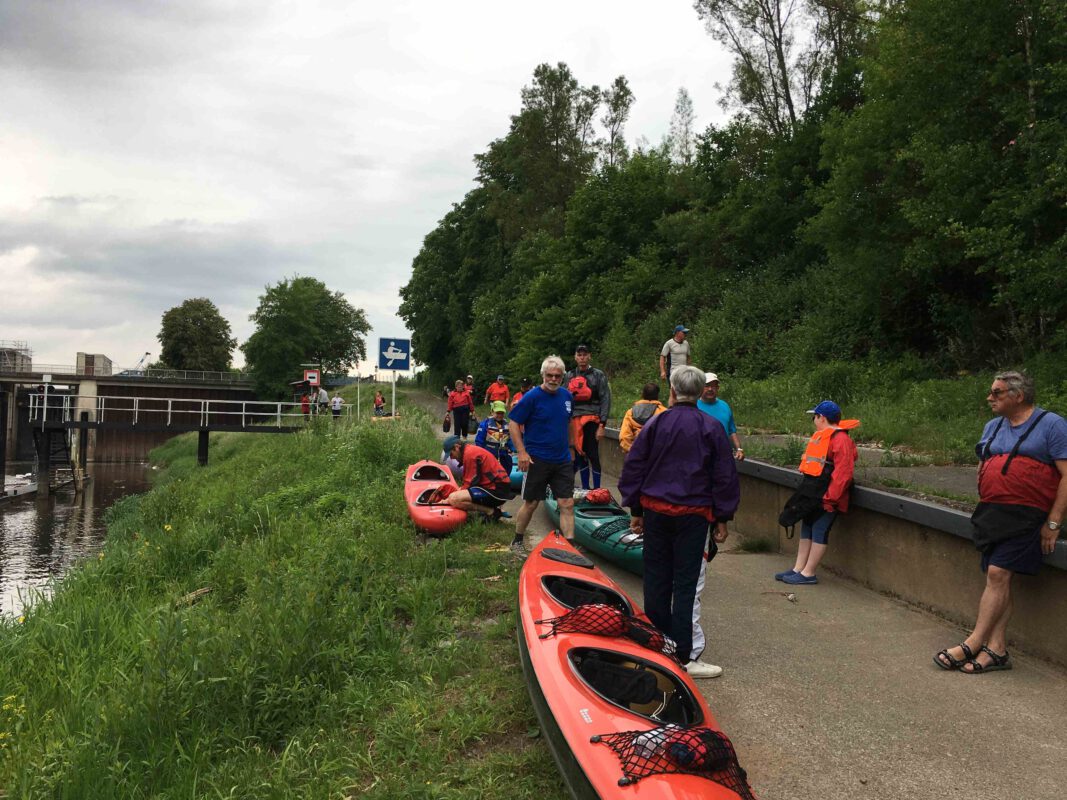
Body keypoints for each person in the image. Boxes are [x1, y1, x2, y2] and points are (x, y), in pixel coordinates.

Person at [934, 371, 1067, 674]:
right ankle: (996, 649)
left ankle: (973, 641)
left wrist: (1054, 522)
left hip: (1028, 515)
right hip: (992, 513)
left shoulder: (1052, 425)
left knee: (998, 573)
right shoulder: (993, 426)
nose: (989, 398)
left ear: (1018, 396)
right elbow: (984, 463)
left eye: (997, 392)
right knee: (997, 579)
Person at [619, 365, 740, 679]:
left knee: (656, 580)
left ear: (672, 391)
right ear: (699, 393)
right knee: (686, 585)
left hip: (656, 513)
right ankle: (683, 656)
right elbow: (724, 476)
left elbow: (634, 467)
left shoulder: (655, 424)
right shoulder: (712, 427)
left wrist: (636, 510)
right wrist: (723, 518)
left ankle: (657, 647)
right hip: (694, 517)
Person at [777, 400, 859, 586]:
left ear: (822, 418)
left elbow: (843, 473)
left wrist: (830, 498)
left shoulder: (841, 440)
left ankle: (809, 573)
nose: (813, 420)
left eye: (814, 417)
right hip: (813, 493)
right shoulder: (824, 437)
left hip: (828, 497)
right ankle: (799, 568)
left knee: (819, 529)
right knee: (807, 526)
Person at [508, 355, 577, 557]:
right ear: (543, 375)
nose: (553, 379)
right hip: (536, 459)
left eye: (557, 376)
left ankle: (569, 548)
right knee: (531, 503)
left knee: (567, 503)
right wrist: (521, 451)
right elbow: (513, 423)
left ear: (563, 377)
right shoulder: (532, 397)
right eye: (550, 375)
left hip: (562, 459)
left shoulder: (567, 396)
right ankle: (517, 541)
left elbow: (570, 422)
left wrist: (572, 447)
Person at [564, 344, 612, 490]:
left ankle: (597, 490)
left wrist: (602, 424)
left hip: (592, 419)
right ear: (575, 357)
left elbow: (605, 399)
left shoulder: (598, 375)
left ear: (589, 356)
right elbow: (564, 399)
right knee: (580, 454)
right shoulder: (569, 375)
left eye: (585, 355)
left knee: (592, 454)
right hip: (574, 420)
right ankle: (585, 489)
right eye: (579, 355)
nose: (582, 358)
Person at [441, 435, 515, 521]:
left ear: (457, 447)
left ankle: (492, 512)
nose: (451, 458)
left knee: (454, 499)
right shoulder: (468, 451)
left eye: (451, 454)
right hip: (496, 487)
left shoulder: (469, 454)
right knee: (455, 496)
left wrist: (446, 500)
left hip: (498, 490)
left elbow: (469, 484)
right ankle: (489, 510)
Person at [697, 373, 745, 460]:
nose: (710, 389)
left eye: (713, 386)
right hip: (701, 455)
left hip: (723, 454)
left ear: (718, 388)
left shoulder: (724, 406)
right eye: (707, 386)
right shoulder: (694, 406)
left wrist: (739, 449)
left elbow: (732, 431)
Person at [619, 382, 667, 453]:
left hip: (636, 453)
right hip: (657, 455)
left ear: (642, 394)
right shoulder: (664, 413)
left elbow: (624, 436)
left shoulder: (630, 412)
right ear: (657, 396)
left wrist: (633, 451)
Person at [475, 400, 515, 473]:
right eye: (498, 413)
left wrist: (515, 449)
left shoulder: (507, 425)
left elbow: (510, 440)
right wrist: (480, 454)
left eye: (501, 413)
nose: (500, 415)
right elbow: (479, 440)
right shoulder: (485, 424)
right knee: (489, 472)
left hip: (503, 455)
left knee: (505, 471)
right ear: (492, 412)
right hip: (489, 454)